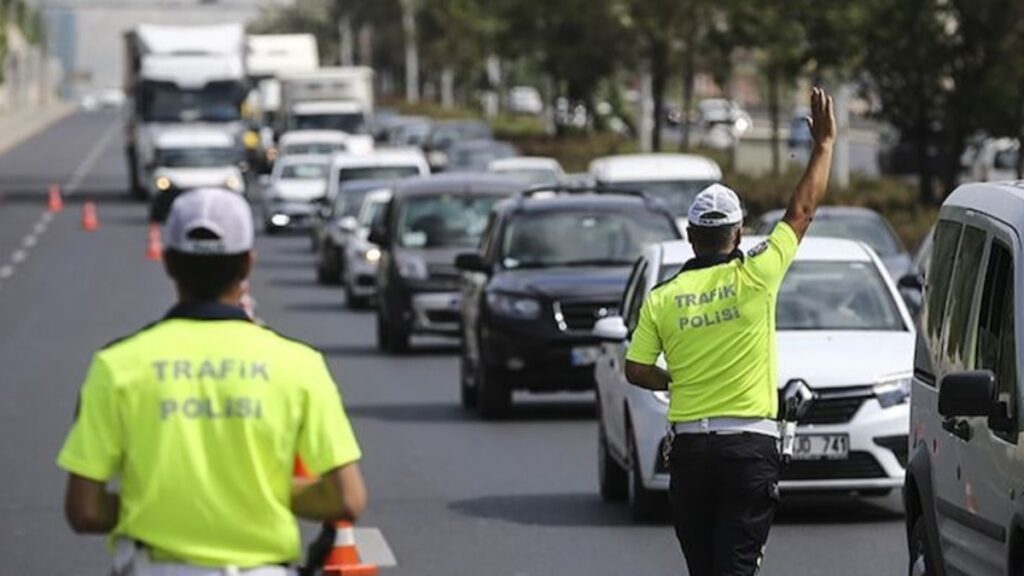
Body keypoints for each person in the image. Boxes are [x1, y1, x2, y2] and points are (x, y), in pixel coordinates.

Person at [57, 187, 366, 575]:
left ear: (168, 263)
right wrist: (251, 495)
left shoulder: (117, 366)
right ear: (248, 264)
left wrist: (158, 504)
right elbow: (347, 498)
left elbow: (83, 510)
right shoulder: (299, 365)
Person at [624, 87, 836, 576]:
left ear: (690, 236)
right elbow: (801, 211)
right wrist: (823, 147)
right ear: (738, 234)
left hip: (691, 454)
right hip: (748, 450)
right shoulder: (758, 273)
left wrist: (675, 380)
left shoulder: (663, 297)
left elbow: (636, 369)